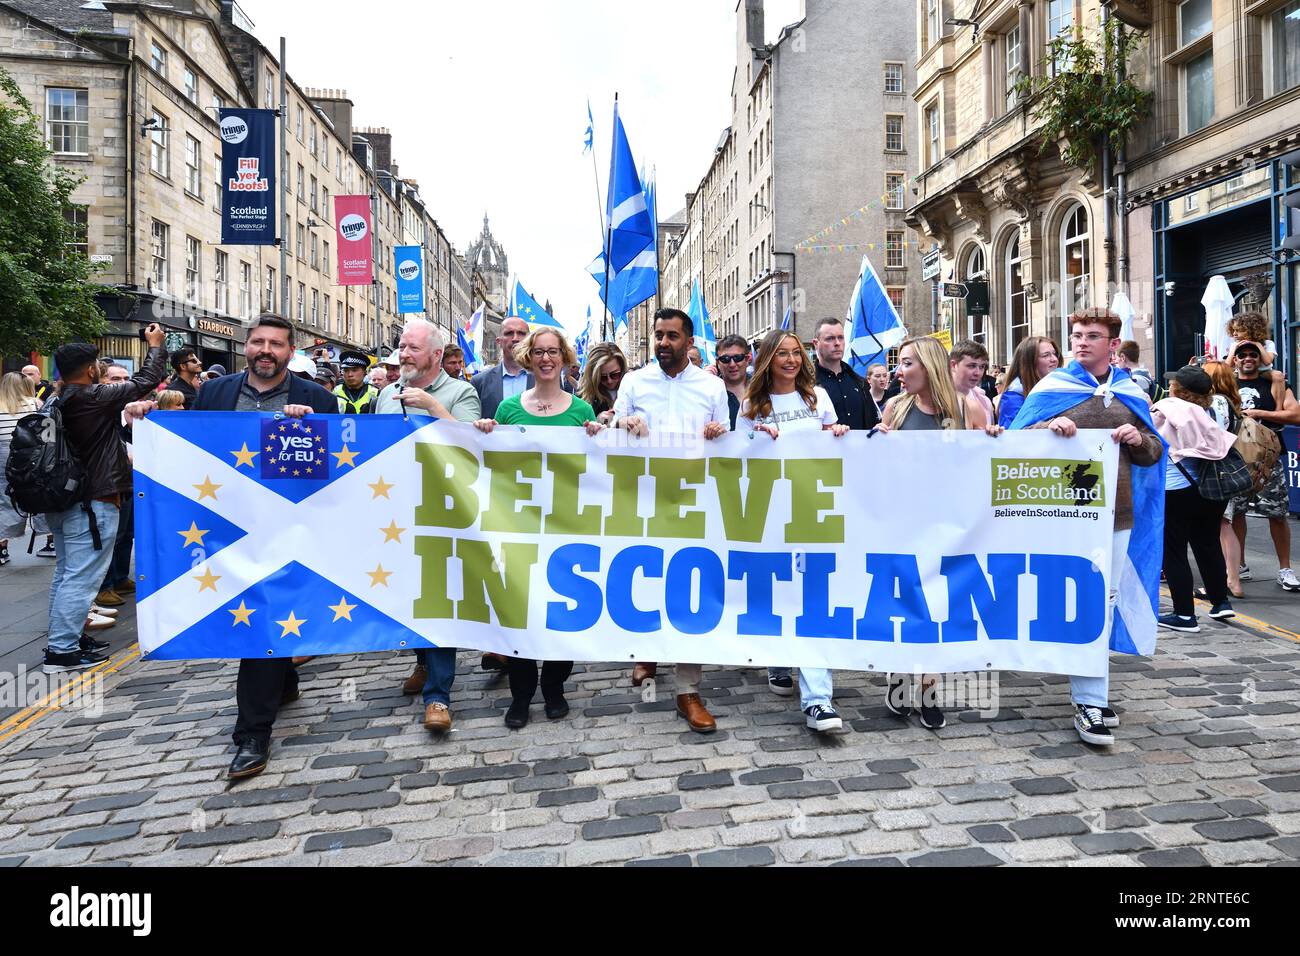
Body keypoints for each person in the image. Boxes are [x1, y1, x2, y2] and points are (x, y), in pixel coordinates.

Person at [145, 314, 341, 779]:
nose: (265, 350)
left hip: (289, 533)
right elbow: (191, 451)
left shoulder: (316, 398)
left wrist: (309, 431)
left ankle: (252, 733)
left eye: (276, 343)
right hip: (231, 530)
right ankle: (284, 679)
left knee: (262, 628)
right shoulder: (214, 393)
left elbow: (332, 474)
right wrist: (144, 420)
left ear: (291, 352)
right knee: (261, 628)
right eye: (258, 342)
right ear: (246, 345)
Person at [1012, 307, 1165, 748]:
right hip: (1059, 514)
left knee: (1105, 601)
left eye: (1092, 336)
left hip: (1116, 514)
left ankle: (1090, 694)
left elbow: (1155, 452)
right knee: (1080, 602)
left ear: (1113, 345)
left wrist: (1139, 440)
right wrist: (1046, 426)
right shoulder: (1052, 387)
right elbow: (1014, 440)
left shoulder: (1131, 392)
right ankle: (1090, 698)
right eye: (1076, 334)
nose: (1081, 342)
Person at [473, 327, 603, 728]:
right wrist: (484, 433)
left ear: (564, 358)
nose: (547, 358)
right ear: (529, 358)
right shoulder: (510, 409)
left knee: (561, 607)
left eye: (554, 352)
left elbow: (595, 470)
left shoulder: (581, 411)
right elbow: (492, 464)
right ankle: (521, 693)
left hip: (567, 524)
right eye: (540, 352)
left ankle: (554, 686)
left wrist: (600, 436)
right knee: (520, 609)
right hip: (519, 524)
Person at [612, 308, 730, 733]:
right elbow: (614, 433)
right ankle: (647, 650)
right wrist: (624, 422)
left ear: (689, 341)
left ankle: (687, 690)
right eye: (659, 336)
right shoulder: (634, 381)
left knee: (687, 587)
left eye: (672, 336)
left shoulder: (712, 386)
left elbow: (728, 445)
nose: (663, 343)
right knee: (648, 578)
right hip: (645, 499)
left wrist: (720, 433)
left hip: (693, 500)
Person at [876, 336, 1002, 730]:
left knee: (937, 606)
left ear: (928, 366)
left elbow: (982, 464)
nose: (899, 371)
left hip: (948, 526)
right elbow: (872, 464)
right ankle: (899, 677)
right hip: (900, 523)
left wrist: (995, 441)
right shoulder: (895, 407)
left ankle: (929, 686)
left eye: (907, 364)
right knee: (904, 600)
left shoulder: (967, 409)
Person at [738, 329, 851, 732]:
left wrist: (835, 434)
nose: (791, 360)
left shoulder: (817, 398)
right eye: (782, 354)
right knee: (777, 589)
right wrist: (755, 437)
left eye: (796, 353)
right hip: (770, 512)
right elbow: (738, 456)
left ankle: (818, 701)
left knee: (813, 596)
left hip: (812, 508)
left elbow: (833, 447)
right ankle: (777, 657)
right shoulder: (753, 403)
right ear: (768, 359)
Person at [375, 319, 484, 730]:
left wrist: (433, 408)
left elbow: (472, 443)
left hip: (443, 512)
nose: (403, 354)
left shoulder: (461, 392)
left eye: (413, 348)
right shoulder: (386, 394)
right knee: (410, 591)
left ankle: (438, 695)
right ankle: (421, 660)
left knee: (440, 595)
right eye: (401, 347)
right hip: (395, 510)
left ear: (436, 356)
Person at [43, 324, 167, 675]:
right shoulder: (87, 397)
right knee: (81, 578)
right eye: (97, 364)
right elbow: (144, 381)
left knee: (67, 574)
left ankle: (66, 639)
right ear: (89, 369)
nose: (100, 369)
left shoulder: (62, 397)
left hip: (70, 499)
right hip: (93, 500)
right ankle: (62, 652)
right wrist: (155, 345)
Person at [1152, 366, 1237, 632]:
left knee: (1174, 550)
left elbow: (1148, 439)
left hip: (1176, 488)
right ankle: (1221, 602)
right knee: (1208, 542)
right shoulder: (1212, 411)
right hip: (1212, 487)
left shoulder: (1166, 406)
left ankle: (1185, 615)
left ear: (1179, 389)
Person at [1227, 341, 1300, 592]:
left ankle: (1285, 569)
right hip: (1235, 458)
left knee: (1277, 514)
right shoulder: (1227, 384)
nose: (1248, 358)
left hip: (1268, 458)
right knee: (1235, 513)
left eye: (1253, 354)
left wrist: (1259, 412)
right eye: (1242, 354)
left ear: (1261, 358)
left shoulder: (1275, 383)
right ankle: (1240, 565)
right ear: (1234, 359)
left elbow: (1295, 414)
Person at [92, 363, 137, 611]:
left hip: (129, 482)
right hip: (108, 484)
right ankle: (105, 585)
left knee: (126, 533)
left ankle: (120, 577)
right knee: (111, 535)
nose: (121, 382)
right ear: (103, 381)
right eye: (114, 378)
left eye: (125, 378)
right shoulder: (102, 410)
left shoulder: (133, 411)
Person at [1203, 360, 1246, 597]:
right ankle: (1232, 579)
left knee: (1217, 526)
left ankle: (1227, 580)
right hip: (1226, 465)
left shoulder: (1214, 402)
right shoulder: (1231, 402)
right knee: (1224, 524)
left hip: (1213, 468)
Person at [0, 372, 40, 567]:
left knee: (4, 498)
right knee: (38, 492)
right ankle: (50, 540)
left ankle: (2, 546)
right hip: (30, 454)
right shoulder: (35, 404)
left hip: (2, 453)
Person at [812, 318, 877, 431]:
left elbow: (871, 423)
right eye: (830, 339)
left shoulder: (859, 383)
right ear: (816, 344)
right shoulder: (807, 384)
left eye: (840, 338)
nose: (837, 343)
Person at [472, 316, 531, 419]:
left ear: (530, 340)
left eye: (521, 333)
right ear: (499, 341)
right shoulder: (480, 382)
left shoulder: (546, 379)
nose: (515, 338)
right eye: (509, 333)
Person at [996, 336, 1061, 428]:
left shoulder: (1058, 387)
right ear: (1029, 362)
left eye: (1055, 354)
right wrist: (1048, 425)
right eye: (1046, 355)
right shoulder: (1013, 397)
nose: (1054, 359)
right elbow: (1012, 435)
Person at [577, 341, 628, 420]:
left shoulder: (633, 390)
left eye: (614, 374)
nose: (609, 381)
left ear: (622, 368)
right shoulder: (583, 399)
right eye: (602, 377)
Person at [950, 339, 995, 424]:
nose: (978, 373)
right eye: (971, 366)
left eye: (982, 367)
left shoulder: (985, 402)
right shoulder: (937, 399)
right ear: (953, 365)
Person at [715, 334, 750, 429]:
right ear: (718, 363)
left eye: (737, 358)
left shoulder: (764, 387)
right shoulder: (710, 392)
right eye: (725, 359)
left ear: (747, 360)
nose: (732, 364)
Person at [334, 350, 378, 415]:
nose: (350, 374)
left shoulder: (376, 393)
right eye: (346, 370)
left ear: (365, 372)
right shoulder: (334, 392)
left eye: (354, 370)